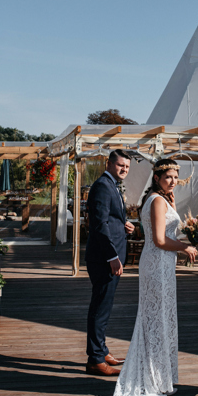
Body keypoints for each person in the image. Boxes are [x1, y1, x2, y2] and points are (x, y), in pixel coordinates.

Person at [112, 160, 198, 396]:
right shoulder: (157, 201)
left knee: (161, 317)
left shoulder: (161, 199)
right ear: (157, 177)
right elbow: (160, 240)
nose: (173, 181)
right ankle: (154, 378)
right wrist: (185, 247)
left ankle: (162, 375)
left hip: (162, 264)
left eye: (175, 177)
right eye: (168, 176)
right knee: (156, 318)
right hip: (157, 263)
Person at [84, 150, 135, 377]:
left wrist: (125, 224)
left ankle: (102, 350)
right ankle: (95, 359)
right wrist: (112, 257)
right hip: (104, 258)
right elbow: (98, 225)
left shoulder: (112, 184)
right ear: (109, 163)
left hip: (111, 255)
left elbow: (110, 219)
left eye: (127, 166)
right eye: (120, 165)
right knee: (100, 307)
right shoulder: (103, 186)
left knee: (104, 306)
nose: (124, 169)